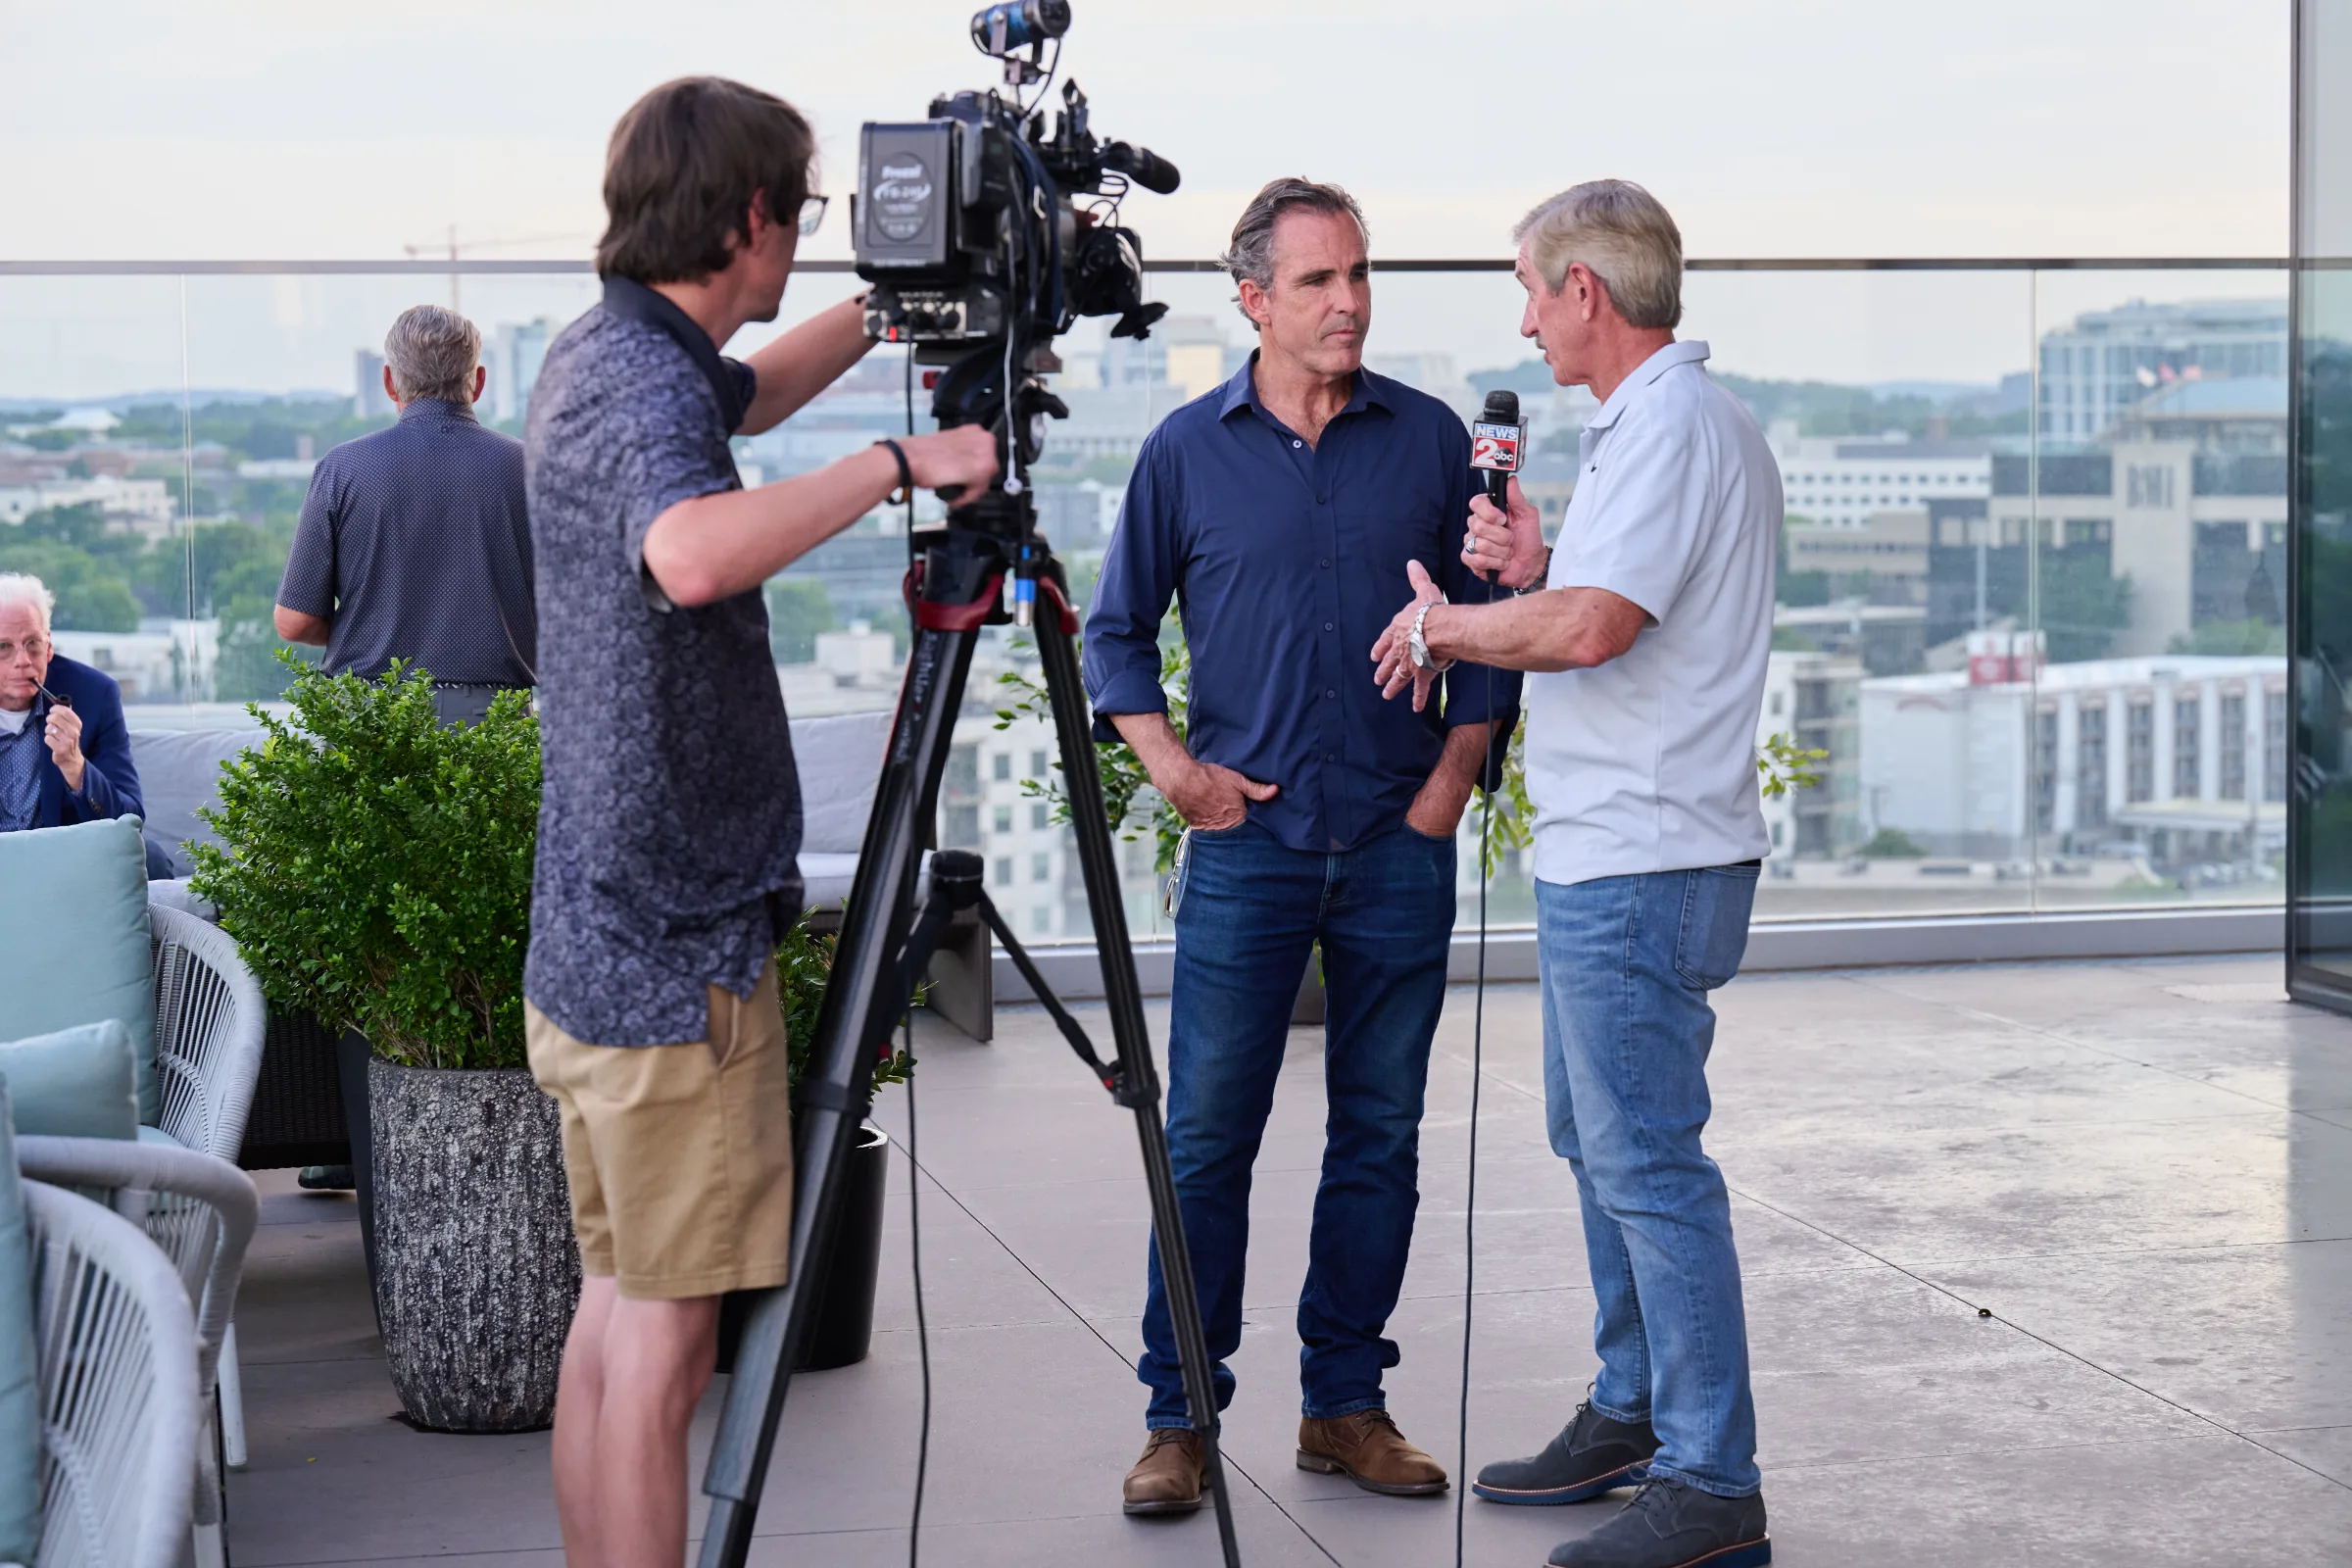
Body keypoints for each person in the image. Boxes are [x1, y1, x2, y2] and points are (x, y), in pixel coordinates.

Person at [520, 76, 997, 1568]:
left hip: (601, 937)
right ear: (746, 217)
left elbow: (756, 393)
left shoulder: (612, 351)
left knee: (615, 1327)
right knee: (667, 1363)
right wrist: (902, 466)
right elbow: (690, 551)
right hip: (676, 958)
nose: (804, 237)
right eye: (800, 212)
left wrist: (888, 307)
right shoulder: (645, 387)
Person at [1085, 177, 1520, 1517]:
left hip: (1399, 837)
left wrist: (1456, 774)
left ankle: (1345, 1406)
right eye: (1320, 281)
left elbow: (1496, 612)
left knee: (1379, 1135)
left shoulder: (1439, 440)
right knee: (1208, 1137)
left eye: (1361, 276)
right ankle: (1180, 1419)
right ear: (1255, 299)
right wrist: (1179, 775)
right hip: (1250, 845)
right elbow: (1112, 632)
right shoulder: (1182, 451)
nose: (1350, 303)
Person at [1371, 179, 1778, 1568]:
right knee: (1598, 1143)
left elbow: (1599, 631)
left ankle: (1714, 1487)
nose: (1527, 320)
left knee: (1649, 1164)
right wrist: (1536, 563)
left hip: (1646, 858)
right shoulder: (1646, 429)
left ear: (1585, 294)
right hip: (1614, 852)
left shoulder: (1668, 424)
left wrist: (1450, 626)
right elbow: (1606, 596)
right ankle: (1635, 1407)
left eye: (1533, 292)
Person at [273, 303, 537, 726]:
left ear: (389, 382)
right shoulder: (530, 469)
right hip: (493, 720)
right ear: (479, 381)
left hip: (370, 714)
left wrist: (366, 633)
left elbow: (294, 622)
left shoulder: (342, 470)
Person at [0, 573, 169, 877]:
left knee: (149, 858)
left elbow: (129, 820)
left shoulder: (94, 694)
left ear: (49, 646)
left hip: (68, 863)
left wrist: (74, 766)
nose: (23, 661)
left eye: (32, 644)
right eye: (3, 647)